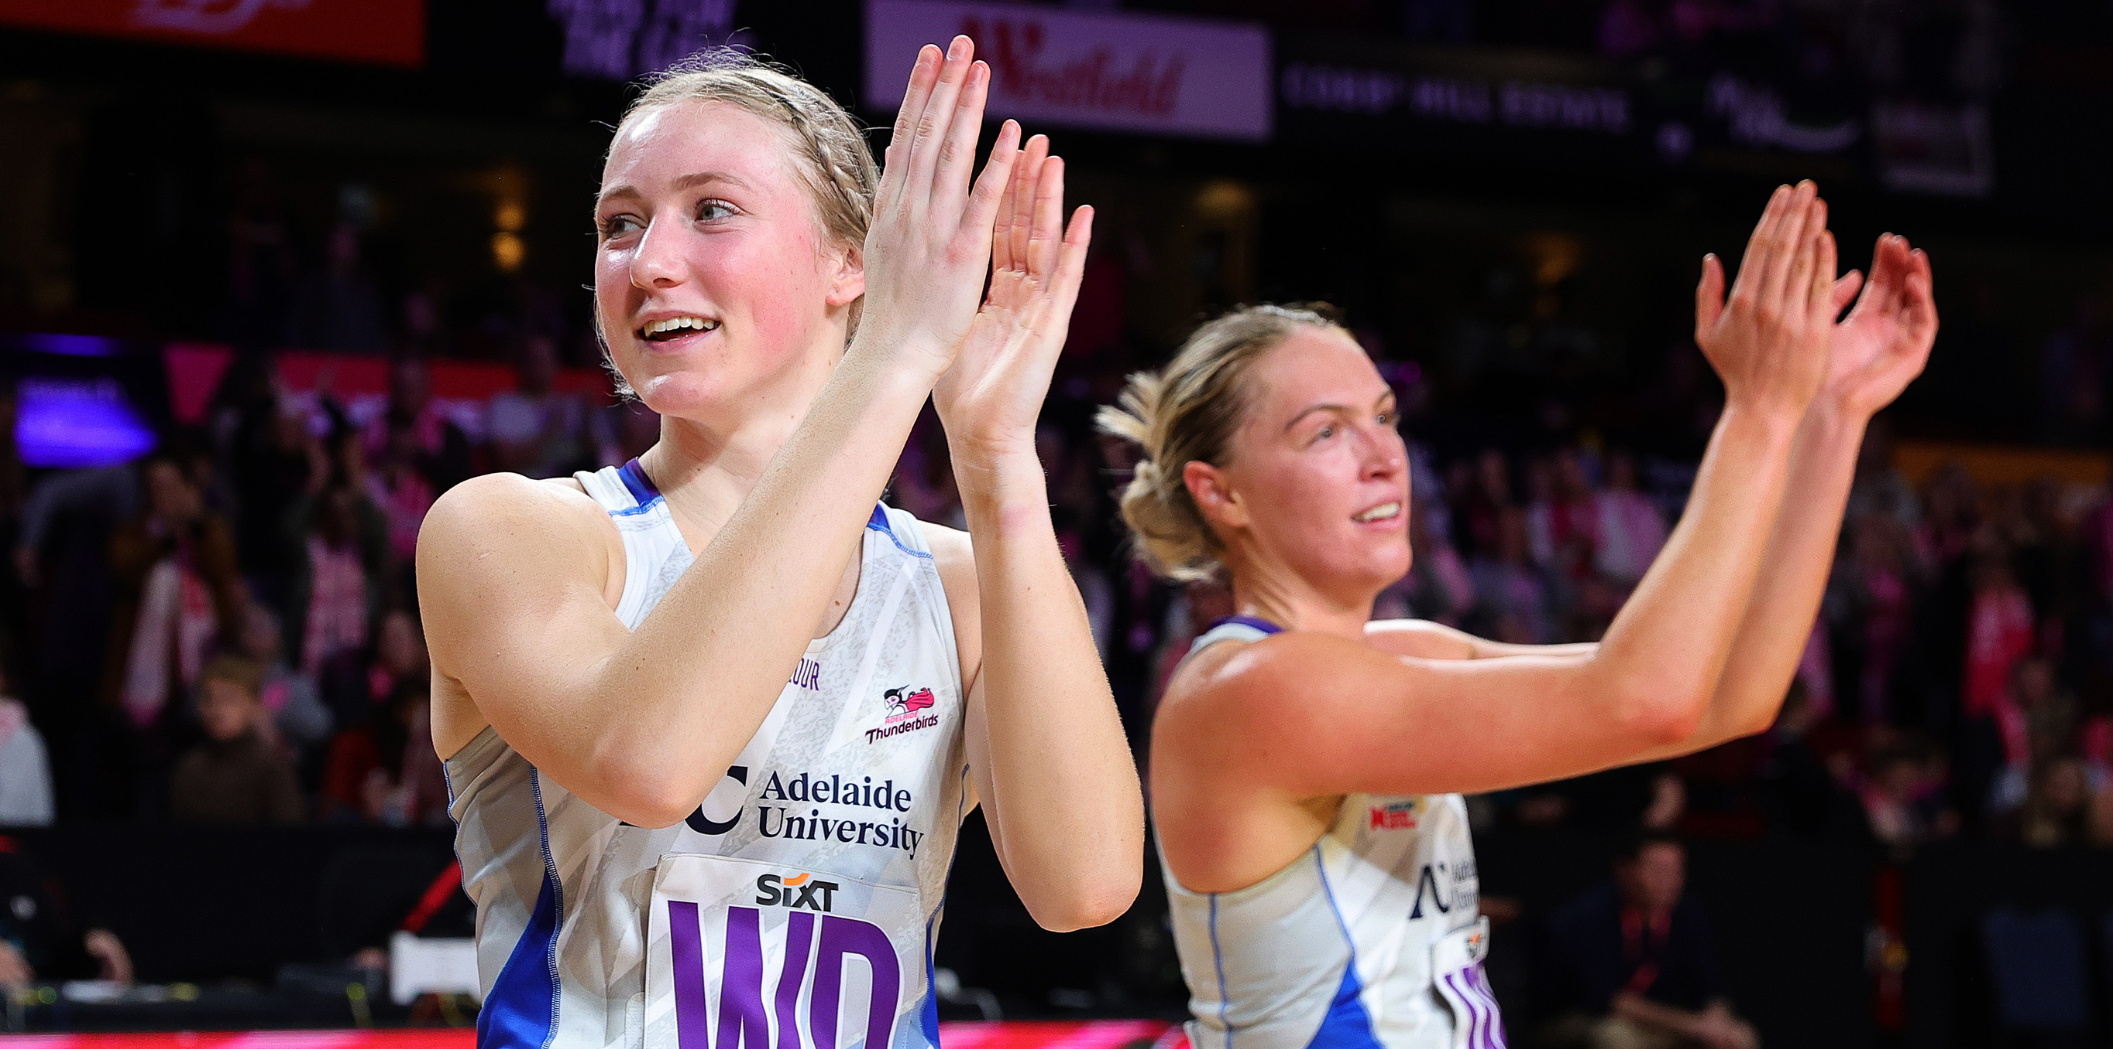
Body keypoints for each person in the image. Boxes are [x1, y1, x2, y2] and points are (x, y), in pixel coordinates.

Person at [415, 42, 1142, 1049]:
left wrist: (995, 453)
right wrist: (889, 355)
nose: (649, 260)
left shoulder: (954, 581)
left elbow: (1085, 883)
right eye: (619, 223)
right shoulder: (515, 531)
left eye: (710, 209)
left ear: (853, 260)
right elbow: (650, 761)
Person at [1102, 182, 1936, 1049]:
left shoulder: (1401, 652)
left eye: (1383, 418)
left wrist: (1832, 413)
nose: (1384, 456)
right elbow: (1644, 696)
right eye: (1324, 432)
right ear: (1221, 492)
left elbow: (1729, 696)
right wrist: (1759, 410)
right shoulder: (1249, 689)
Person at [1537, 833, 1757, 1049]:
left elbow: (1711, 986)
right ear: (1625, 870)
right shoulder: (1589, 916)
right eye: (1658, 871)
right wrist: (1690, 1025)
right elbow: (1607, 1000)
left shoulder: (1687, 914)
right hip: (1585, 1019)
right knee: (1617, 1038)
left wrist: (1716, 1020)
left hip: (1661, 1021)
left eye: (1676, 871)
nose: (1669, 881)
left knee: (1740, 1036)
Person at [169, 655, 304, 825]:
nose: (217, 711)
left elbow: (289, 836)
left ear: (254, 706)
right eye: (208, 699)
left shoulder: (271, 766)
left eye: (229, 700)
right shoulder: (190, 766)